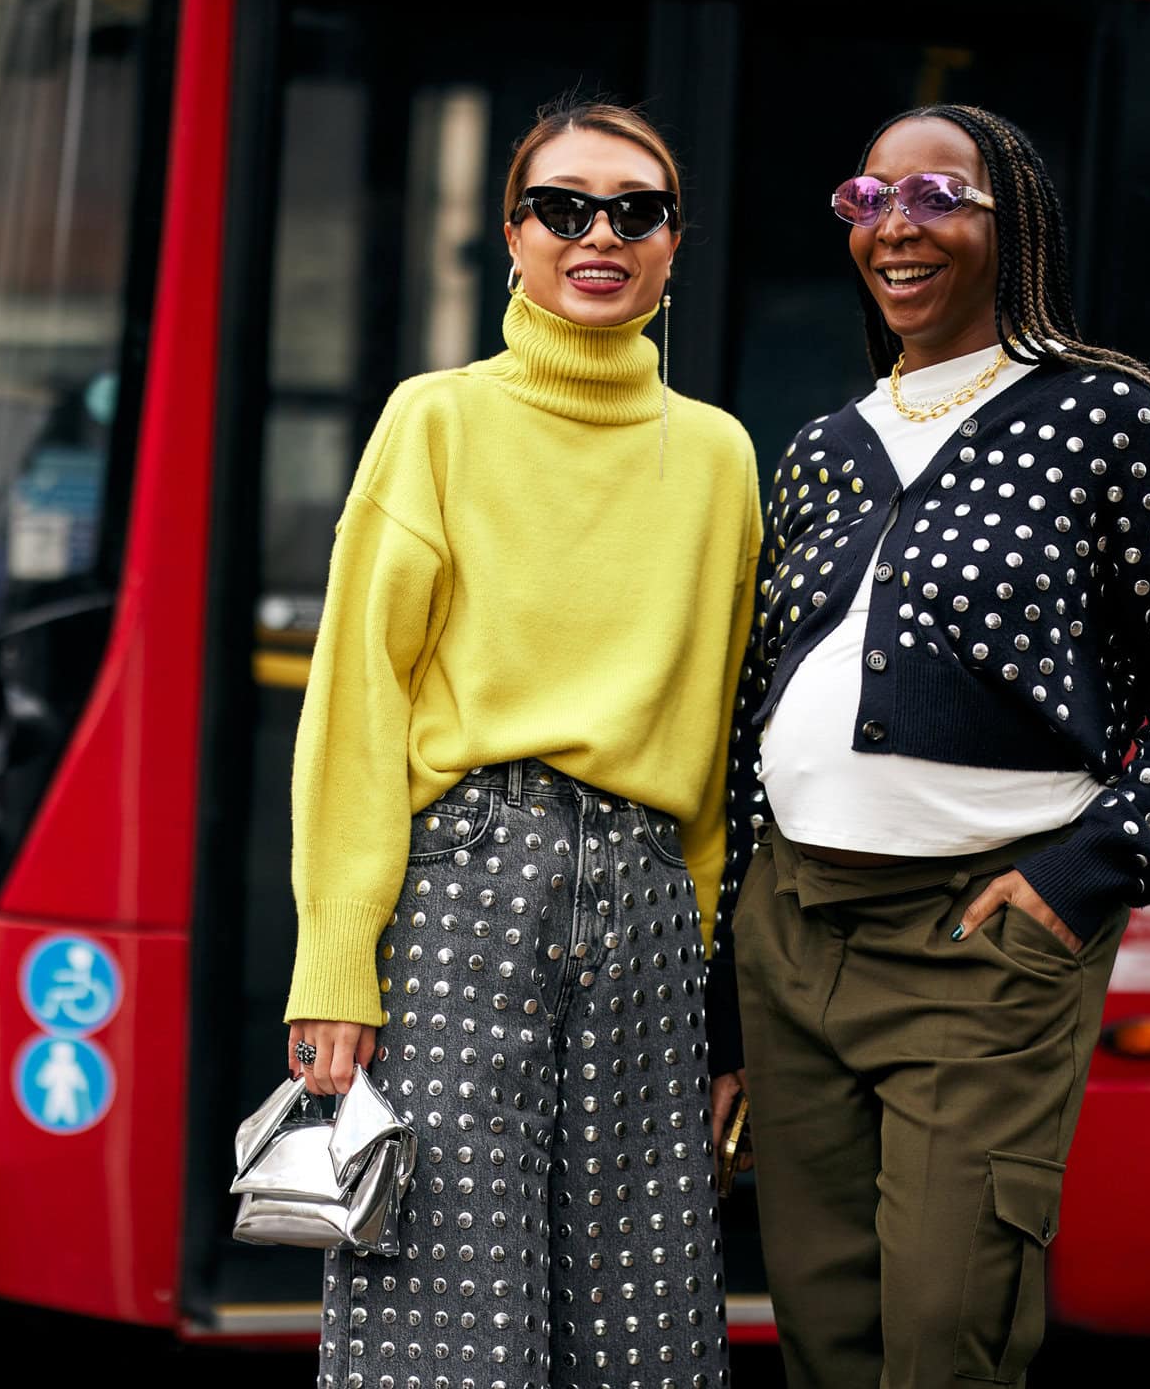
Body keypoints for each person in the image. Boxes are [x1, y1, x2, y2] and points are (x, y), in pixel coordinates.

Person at [709, 103, 1150, 1389]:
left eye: (937, 197)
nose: (896, 227)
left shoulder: (1109, 418)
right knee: (824, 1331)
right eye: (870, 200)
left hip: (979, 935)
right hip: (791, 935)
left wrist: (1082, 880)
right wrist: (728, 997)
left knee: (946, 1332)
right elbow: (752, 726)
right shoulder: (821, 450)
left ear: (1014, 223)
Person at [284, 99, 759, 1389]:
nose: (597, 234)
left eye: (635, 209)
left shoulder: (719, 456)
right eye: (562, 206)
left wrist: (716, 991)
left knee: (644, 1314)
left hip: (653, 905)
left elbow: (714, 740)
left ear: (673, 243)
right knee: (443, 1307)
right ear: (512, 235)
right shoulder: (434, 421)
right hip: (465, 883)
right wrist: (337, 955)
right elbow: (357, 699)